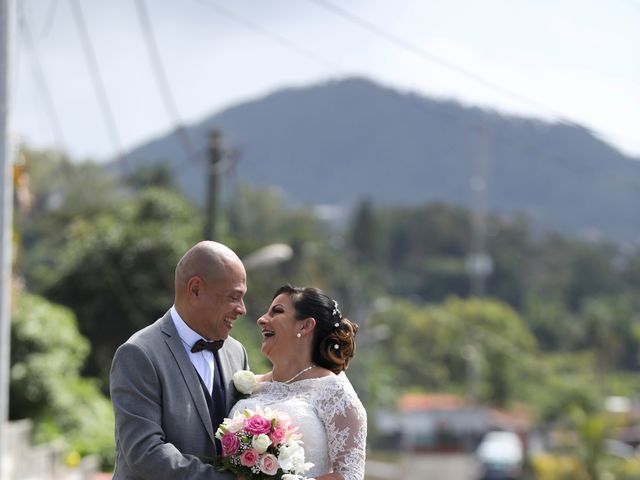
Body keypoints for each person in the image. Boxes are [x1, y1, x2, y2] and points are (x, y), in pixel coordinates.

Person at [110, 240, 249, 479]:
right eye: (234, 297)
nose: (242, 309)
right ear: (195, 289)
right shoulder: (138, 353)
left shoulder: (237, 352)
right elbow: (145, 453)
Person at [232, 284, 367, 480]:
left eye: (277, 311)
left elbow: (351, 475)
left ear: (304, 326)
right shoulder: (249, 384)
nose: (261, 320)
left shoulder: (333, 391)